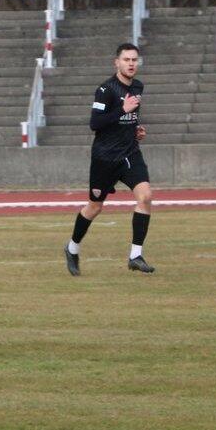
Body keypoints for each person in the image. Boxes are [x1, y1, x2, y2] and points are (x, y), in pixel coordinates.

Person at [66, 42, 154, 276]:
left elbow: (129, 118)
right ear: (117, 62)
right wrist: (122, 110)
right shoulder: (105, 90)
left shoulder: (138, 86)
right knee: (95, 207)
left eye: (134, 60)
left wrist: (136, 129)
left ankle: (135, 256)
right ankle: (72, 248)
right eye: (126, 59)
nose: (131, 63)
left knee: (145, 197)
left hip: (130, 153)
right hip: (105, 158)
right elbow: (95, 123)